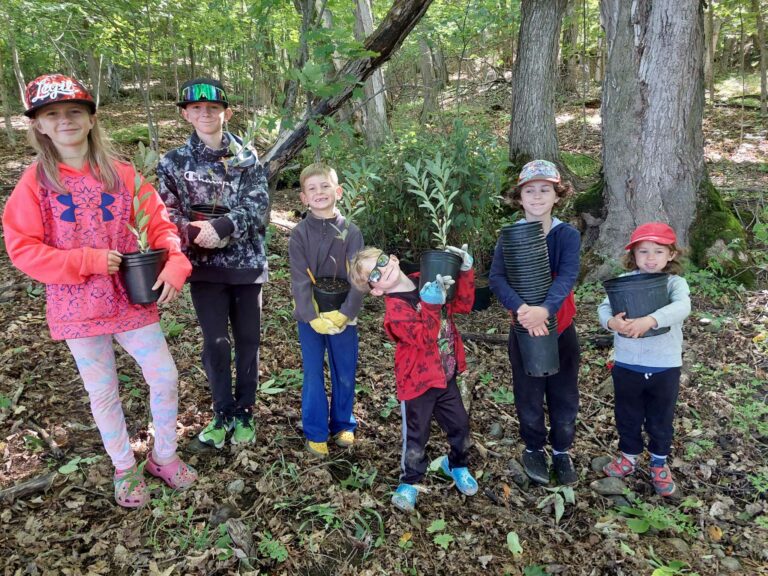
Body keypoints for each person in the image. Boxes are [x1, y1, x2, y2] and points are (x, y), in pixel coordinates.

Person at [3, 73, 196, 508]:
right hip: (78, 308)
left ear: (91, 119)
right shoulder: (35, 184)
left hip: (132, 296)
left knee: (164, 376)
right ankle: (125, 467)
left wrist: (177, 261)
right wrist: (83, 261)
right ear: (39, 126)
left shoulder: (124, 175)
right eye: (52, 115)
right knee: (103, 391)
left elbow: (160, 225)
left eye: (75, 112)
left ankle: (163, 456)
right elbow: (22, 248)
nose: (65, 120)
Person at [157, 77, 270, 448]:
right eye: (197, 108)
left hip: (247, 266)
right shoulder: (172, 162)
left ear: (227, 112)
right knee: (216, 342)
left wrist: (221, 226)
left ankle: (245, 411)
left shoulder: (246, 157)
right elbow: (162, 213)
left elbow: (258, 207)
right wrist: (191, 233)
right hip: (204, 270)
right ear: (186, 114)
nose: (205, 114)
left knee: (248, 341)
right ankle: (222, 412)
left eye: (213, 108)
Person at [349, 246, 478, 512]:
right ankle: (409, 481)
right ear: (375, 289)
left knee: (461, 426)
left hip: (446, 375)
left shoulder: (430, 278)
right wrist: (431, 304)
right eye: (375, 273)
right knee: (417, 437)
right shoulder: (395, 311)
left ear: (393, 258)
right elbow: (425, 338)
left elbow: (463, 305)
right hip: (417, 383)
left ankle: (456, 464)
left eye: (382, 261)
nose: (383, 269)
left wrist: (464, 271)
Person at [489, 159, 581, 486]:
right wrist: (523, 309)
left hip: (562, 329)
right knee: (528, 392)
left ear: (558, 195)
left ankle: (561, 451)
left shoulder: (566, 235)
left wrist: (546, 310)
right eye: (530, 190)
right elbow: (497, 278)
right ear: (520, 196)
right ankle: (533, 448)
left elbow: (568, 276)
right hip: (523, 329)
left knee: (564, 392)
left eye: (545, 190)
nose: (538, 196)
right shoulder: (509, 237)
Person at [598, 222, 690, 497]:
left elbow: (682, 307)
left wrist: (651, 320)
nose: (651, 258)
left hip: (664, 365)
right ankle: (629, 455)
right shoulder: (625, 283)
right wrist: (612, 323)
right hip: (628, 363)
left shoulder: (674, 283)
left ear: (671, 254)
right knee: (627, 413)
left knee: (660, 417)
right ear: (633, 255)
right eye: (643, 251)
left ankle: (659, 463)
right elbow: (604, 307)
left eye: (658, 251)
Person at [289, 163, 364, 458]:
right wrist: (311, 316)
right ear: (303, 198)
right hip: (311, 318)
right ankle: (316, 430)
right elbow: (298, 277)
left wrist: (346, 312)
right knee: (313, 373)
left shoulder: (351, 232)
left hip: (346, 314)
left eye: (325, 186)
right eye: (312, 188)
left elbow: (359, 275)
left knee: (344, 370)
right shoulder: (299, 234)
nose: (319, 192)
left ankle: (343, 422)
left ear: (338, 191)